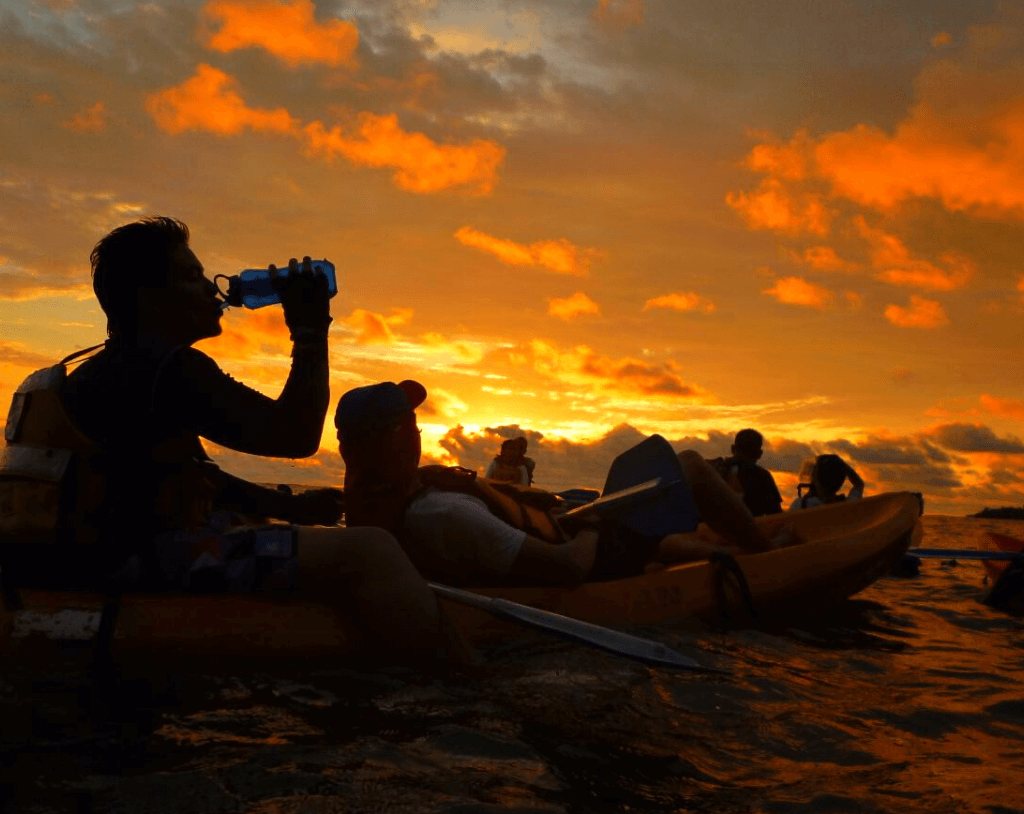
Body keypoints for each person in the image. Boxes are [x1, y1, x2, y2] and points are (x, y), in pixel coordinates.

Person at [2, 217, 457, 666]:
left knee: (246, 520)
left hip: (80, 555)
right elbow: (296, 436)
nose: (211, 289)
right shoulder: (175, 370)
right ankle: (455, 678)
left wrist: (290, 507)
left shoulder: (101, 369)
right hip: (131, 560)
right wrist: (310, 330)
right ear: (150, 299)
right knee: (370, 548)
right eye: (191, 276)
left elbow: (194, 476)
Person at [336, 380, 783, 587]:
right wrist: (592, 525)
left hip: (558, 529)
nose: (419, 432)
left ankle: (729, 553)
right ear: (399, 440)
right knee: (687, 463)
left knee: (658, 540)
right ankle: (772, 558)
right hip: (583, 556)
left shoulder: (379, 502)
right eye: (412, 423)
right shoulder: (447, 514)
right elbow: (568, 567)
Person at [709, 429, 783, 517]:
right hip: (748, 528)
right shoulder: (762, 477)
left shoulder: (713, 471)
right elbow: (776, 515)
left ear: (733, 448)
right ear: (759, 454)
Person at [789, 454, 865, 511]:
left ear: (815, 478)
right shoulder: (848, 506)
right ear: (840, 482)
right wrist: (842, 465)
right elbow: (859, 484)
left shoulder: (800, 505)